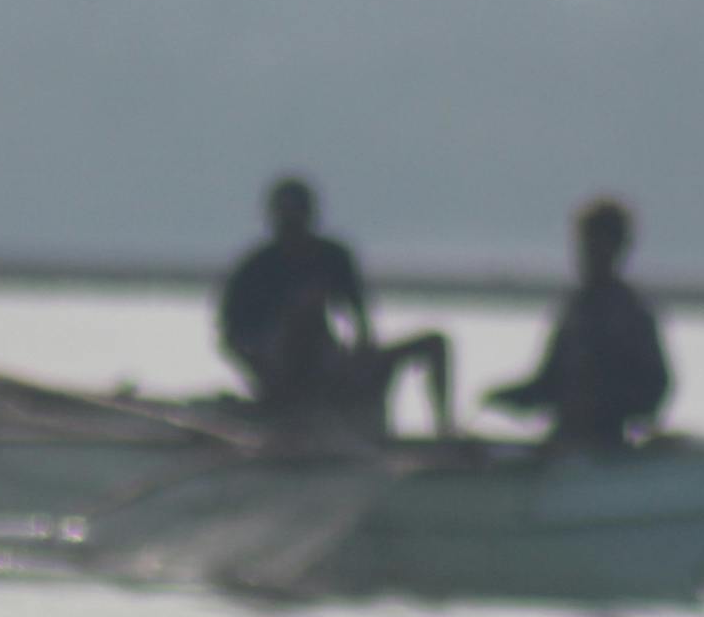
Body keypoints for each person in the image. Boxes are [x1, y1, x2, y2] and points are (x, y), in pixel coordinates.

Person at [216, 176, 454, 434]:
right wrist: (267, 376)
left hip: (334, 368)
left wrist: (361, 357)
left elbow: (360, 317)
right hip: (284, 375)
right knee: (304, 308)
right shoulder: (255, 269)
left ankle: (443, 429)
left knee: (434, 342)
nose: (293, 225)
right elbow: (231, 339)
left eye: (298, 215)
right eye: (286, 217)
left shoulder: (332, 256)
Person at [486, 196, 668, 451]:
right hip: (562, 441)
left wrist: (603, 403)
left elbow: (655, 387)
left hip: (607, 446)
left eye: (595, 245)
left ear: (617, 249)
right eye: (584, 244)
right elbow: (547, 382)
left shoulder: (631, 314)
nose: (586, 253)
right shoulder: (575, 307)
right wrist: (505, 397)